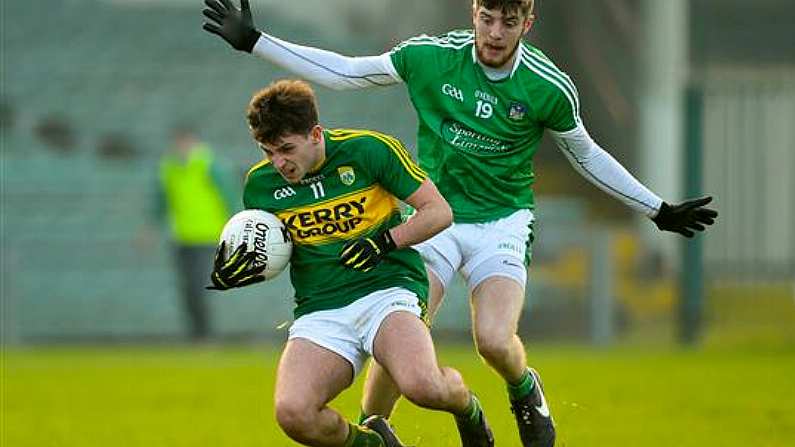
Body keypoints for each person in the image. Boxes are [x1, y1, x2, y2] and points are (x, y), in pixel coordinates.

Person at [201, 1, 719, 445]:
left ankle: (523, 389)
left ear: (527, 23)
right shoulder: (431, 57)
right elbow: (350, 72)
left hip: (502, 221)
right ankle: (371, 427)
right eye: (487, 17)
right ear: (474, 13)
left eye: (508, 21)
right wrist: (256, 42)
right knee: (400, 331)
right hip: (437, 219)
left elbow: (586, 155)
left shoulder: (546, 87)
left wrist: (656, 208)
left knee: (493, 340)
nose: (495, 32)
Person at [208, 78, 495, 447]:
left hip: (387, 291)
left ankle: (467, 409)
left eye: (285, 149)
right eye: (267, 152)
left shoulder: (369, 150)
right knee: (294, 413)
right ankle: (375, 444)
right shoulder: (259, 186)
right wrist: (246, 264)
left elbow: (438, 212)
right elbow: (273, 248)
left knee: (424, 388)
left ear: (315, 134)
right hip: (321, 309)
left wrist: (384, 242)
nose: (278, 162)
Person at [152, 125, 237, 340]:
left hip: (207, 235)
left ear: (195, 142)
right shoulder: (169, 167)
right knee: (187, 289)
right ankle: (196, 334)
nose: (182, 147)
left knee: (199, 287)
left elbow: (230, 197)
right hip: (181, 237)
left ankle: (205, 334)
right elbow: (161, 200)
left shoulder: (210, 165)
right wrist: (150, 227)